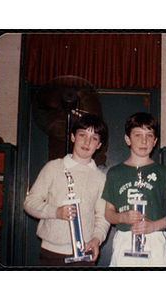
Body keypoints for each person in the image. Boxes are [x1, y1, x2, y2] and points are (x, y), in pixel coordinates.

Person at [23, 113, 110, 267]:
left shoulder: (100, 178)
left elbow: (103, 217)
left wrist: (96, 239)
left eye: (94, 138)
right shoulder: (53, 167)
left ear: (99, 145)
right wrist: (55, 212)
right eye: (82, 135)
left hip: (85, 254)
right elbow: (30, 203)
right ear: (72, 137)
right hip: (50, 253)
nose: (87, 142)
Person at [102, 112, 166, 267]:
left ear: (155, 141)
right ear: (127, 139)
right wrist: (122, 218)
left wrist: (153, 226)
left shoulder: (165, 173)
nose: (144, 141)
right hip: (125, 238)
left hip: (155, 237)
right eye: (138, 135)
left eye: (149, 135)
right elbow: (108, 213)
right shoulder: (115, 173)